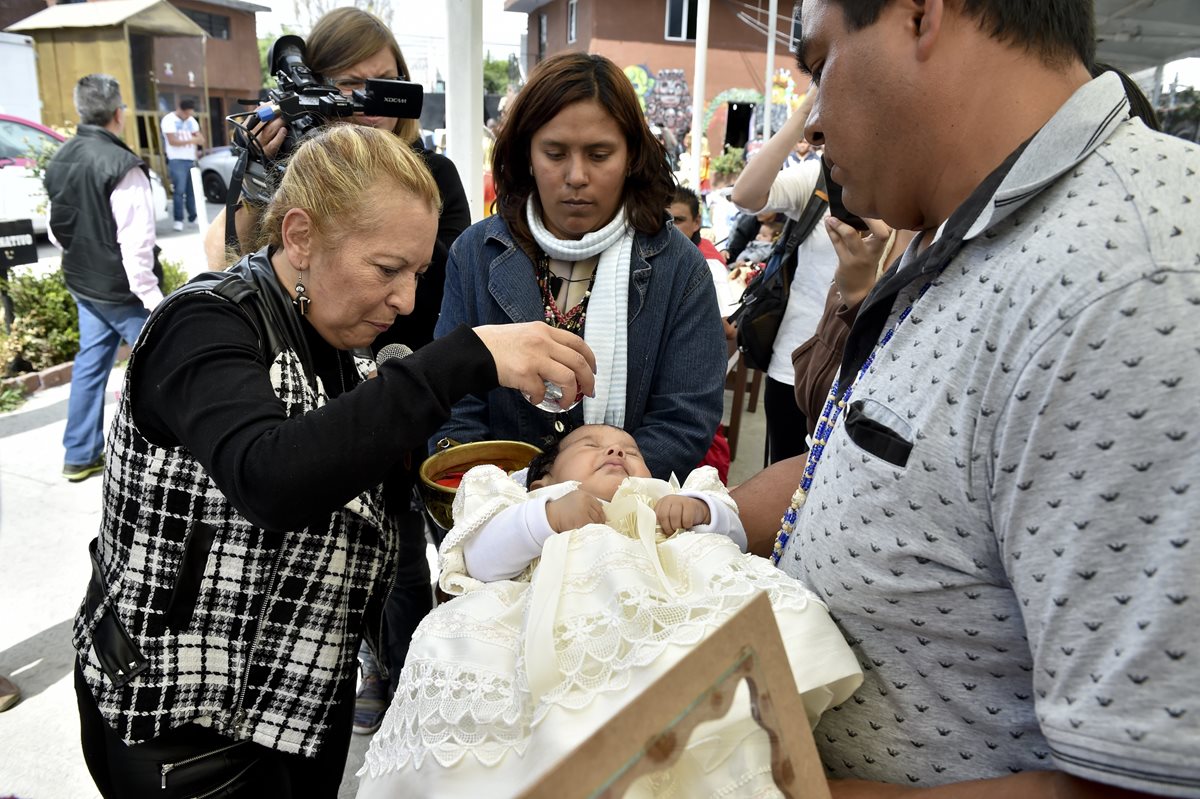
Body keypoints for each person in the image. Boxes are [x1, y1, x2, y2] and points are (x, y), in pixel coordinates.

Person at [735, 0, 1200, 795]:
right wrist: (681, 518)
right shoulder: (966, 222)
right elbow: (884, 475)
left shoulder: (1133, 285)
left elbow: (1141, 782)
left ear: (920, 16)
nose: (810, 125)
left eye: (820, 67)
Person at [71, 123, 597, 799]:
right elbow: (270, 476)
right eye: (386, 269)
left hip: (296, 715)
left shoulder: (341, 349)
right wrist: (464, 358)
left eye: (418, 274)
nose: (406, 300)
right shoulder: (202, 325)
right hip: (181, 733)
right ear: (299, 236)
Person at [204, 6, 473, 735]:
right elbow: (233, 266)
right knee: (315, 542)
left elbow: (429, 298)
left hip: (396, 384)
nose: (367, 102)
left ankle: (408, 669)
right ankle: (358, 660)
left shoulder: (432, 174)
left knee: (397, 538)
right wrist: (267, 174)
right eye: (349, 85)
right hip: (301, 400)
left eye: (385, 83)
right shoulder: (217, 311)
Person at [357, 424, 862, 797]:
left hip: (663, 611)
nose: (616, 450)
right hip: (539, 624)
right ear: (541, 478)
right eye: (589, 446)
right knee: (473, 677)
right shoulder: (524, 501)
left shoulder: (667, 495)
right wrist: (545, 518)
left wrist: (701, 512)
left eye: (631, 450)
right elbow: (480, 560)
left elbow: (733, 528)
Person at [433, 52, 727, 481]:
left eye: (599, 154)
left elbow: (684, 421)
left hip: (622, 525)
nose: (575, 176)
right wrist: (520, 506)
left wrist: (598, 497)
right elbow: (454, 405)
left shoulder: (679, 268)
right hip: (500, 525)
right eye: (554, 153)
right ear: (527, 155)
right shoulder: (476, 254)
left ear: (631, 157)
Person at [44, 74, 162, 483]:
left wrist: (82, 259)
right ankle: (181, 456)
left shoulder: (61, 157)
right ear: (118, 113)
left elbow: (57, 227)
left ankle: (79, 455)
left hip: (83, 283)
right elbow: (137, 244)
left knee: (91, 365)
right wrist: (153, 300)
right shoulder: (122, 165)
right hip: (122, 290)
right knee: (166, 363)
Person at [731, 89, 837, 465]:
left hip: (863, 375)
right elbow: (745, 194)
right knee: (782, 485)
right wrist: (809, 104)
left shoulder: (905, 188)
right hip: (794, 365)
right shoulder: (819, 178)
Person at [160, 98, 203, 232]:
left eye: (190, 114)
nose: (188, 117)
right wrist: (192, 139)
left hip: (190, 159)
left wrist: (192, 143)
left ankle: (193, 217)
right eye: (186, 114)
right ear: (180, 110)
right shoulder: (169, 120)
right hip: (176, 159)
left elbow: (201, 139)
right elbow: (172, 141)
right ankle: (178, 220)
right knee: (179, 191)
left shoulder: (191, 121)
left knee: (192, 191)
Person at [668, 185, 725, 264]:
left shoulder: (710, 265)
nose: (668, 227)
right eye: (662, 220)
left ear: (696, 222)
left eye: (677, 220)